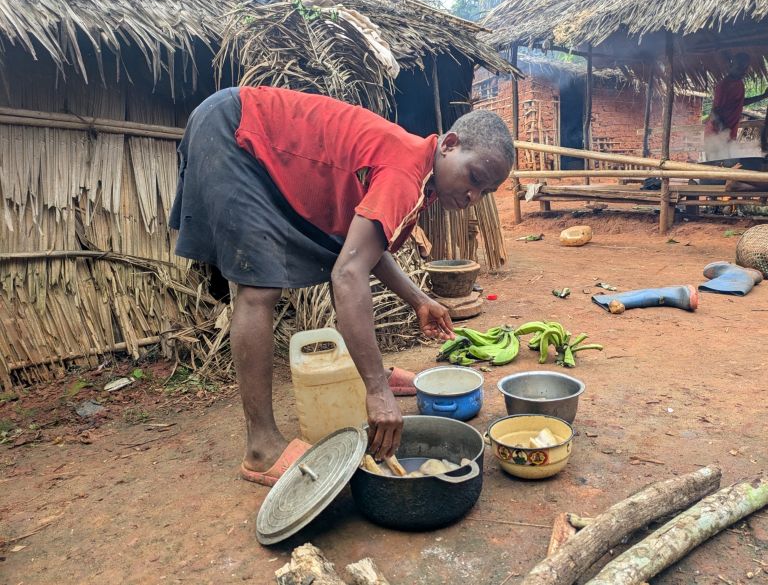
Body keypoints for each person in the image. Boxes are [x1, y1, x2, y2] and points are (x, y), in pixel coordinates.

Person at [169, 86, 514, 486]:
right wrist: (376, 393)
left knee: (288, 277)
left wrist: (418, 299)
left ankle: (375, 374)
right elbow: (347, 274)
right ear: (450, 145)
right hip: (236, 131)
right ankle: (261, 448)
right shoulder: (406, 170)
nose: (473, 196)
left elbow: (365, 248)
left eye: (485, 191)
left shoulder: (422, 177)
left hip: (249, 136)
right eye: (474, 178)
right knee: (259, 288)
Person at [705, 53, 768, 141]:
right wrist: (724, 135)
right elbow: (715, 112)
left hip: (728, 134)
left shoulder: (739, 84)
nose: (743, 71)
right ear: (731, 66)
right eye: (739, 68)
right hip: (716, 135)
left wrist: (763, 96)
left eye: (745, 68)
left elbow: (740, 102)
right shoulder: (723, 86)